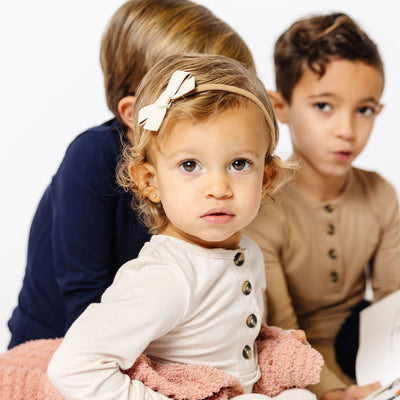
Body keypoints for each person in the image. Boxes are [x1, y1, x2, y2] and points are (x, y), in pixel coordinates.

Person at [46, 53, 317, 400]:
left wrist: (270, 343)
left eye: (239, 163)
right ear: (150, 181)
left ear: (266, 177)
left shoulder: (246, 251)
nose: (218, 188)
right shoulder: (165, 275)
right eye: (190, 165)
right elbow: (73, 366)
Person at [7, 0, 256, 349]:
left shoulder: (216, 171)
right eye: (205, 103)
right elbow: (84, 295)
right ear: (133, 113)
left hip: (152, 337)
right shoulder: (92, 156)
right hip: (62, 343)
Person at [245, 12, 400, 400]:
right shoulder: (261, 205)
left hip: (364, 345)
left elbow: (392, 302)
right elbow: (279, 326)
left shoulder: (379, 193)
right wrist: (330, 390)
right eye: (324, 106)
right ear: (281, 106)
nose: (346, 129)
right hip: (287, 360)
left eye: (364, 110)